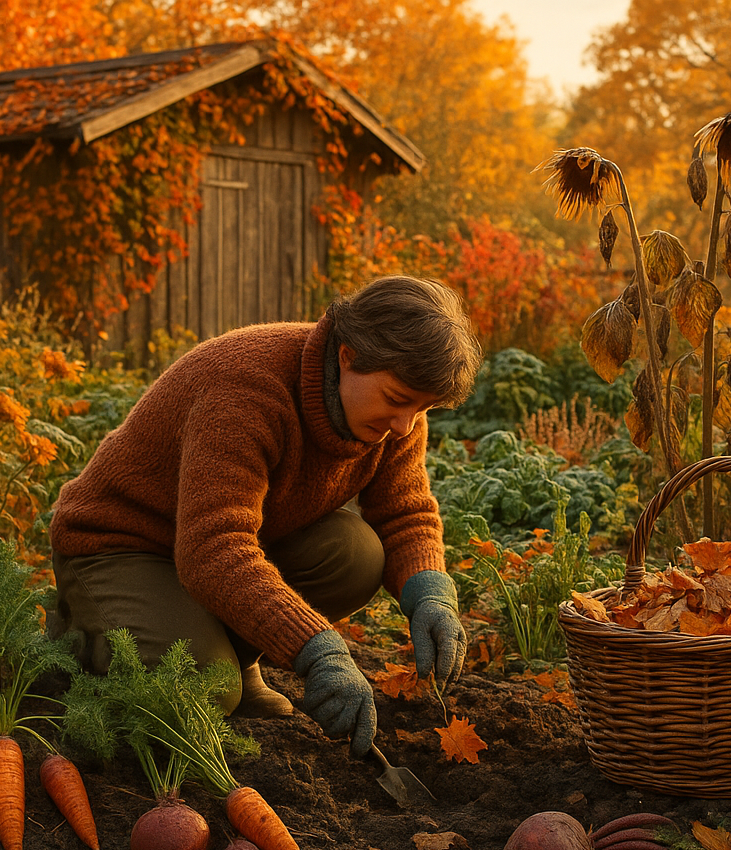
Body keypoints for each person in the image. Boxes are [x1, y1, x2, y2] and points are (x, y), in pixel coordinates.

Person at [47, 275, 482, 758]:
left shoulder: (397, 412)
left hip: (217, 546)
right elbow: (213, 549)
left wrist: (431, 594)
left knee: (354, 554)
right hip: (123, 545)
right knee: (205, 692)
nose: (405, 425)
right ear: (347, 357)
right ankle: (74, 638)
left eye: (421, 409)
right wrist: (317, 646)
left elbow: (404, 513)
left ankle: (233, 653)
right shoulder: (246, 387)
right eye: (398, 401)